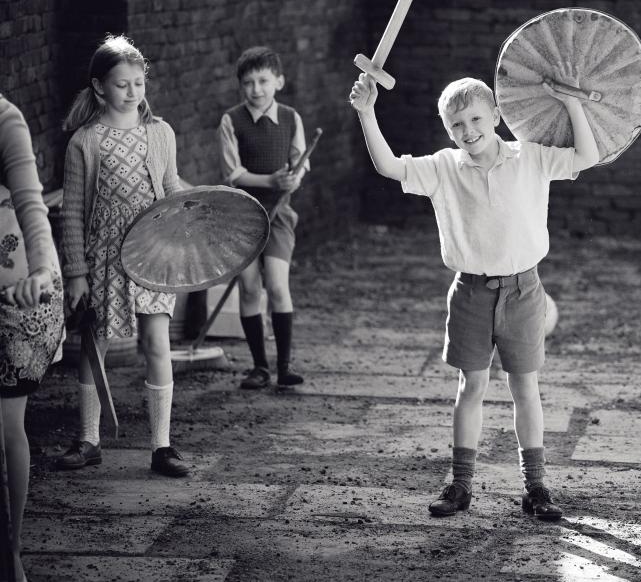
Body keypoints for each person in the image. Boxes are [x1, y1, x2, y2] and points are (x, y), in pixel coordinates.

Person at [348, 72, 600, 521]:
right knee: (472, 386)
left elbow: (588, 154)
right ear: (448, 129)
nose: (469, 131)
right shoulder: (444, 167)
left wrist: (573, 103)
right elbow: (389, 167)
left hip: (524, 290)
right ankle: (461, 485)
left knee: (526, 387)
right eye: (457, 124)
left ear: (497, 115)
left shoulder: (530, 158)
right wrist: (367, 112)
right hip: (469, 291)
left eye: (476, 119)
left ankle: (537, 488)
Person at [56, 34, 189, 477]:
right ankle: (89, 439)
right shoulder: (85, 142)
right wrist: (76, 272)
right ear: (99, 88)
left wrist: (187, 231)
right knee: (94, 346)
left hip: (151, 252)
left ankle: (162, 446)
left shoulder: (160, 133)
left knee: (157, 342)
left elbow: (170, 190)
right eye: (121, 84)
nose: (132, 92)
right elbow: (72, 211)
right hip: (104, 256)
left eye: (138, 82)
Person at [0, 93, 65, 582]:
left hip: (18, 285)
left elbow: (30, 203)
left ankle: (11, 550)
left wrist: (42, 270)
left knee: (4, 424)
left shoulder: (5, 118)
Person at [218, 46, 307, 390]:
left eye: (263, 81)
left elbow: (300, 164)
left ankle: (284, 367)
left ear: (278, 82)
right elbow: (233, 174)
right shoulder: (231, 121)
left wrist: (291, 179)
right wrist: (269, 180)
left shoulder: (291, 118)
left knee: (278, 286)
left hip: (279, 214)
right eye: (248, 82)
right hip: (241, 216)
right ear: (240, 86)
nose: (256, 89)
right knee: (250, 288)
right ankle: (259, 367)